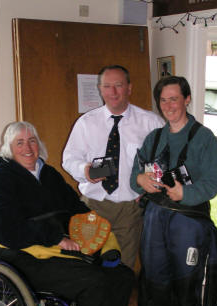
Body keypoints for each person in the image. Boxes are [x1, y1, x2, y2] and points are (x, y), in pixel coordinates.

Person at [0, 121, 137, 306]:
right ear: (8, 149)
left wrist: (92, 229)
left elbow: (75, 208)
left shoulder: (49, 174)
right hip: (25, 255)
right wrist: (55, 237)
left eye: (32, 140)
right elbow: (4, 229)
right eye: (20, 142)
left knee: (122, 276)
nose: (28, 147)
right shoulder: (2, 178)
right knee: (94, 282)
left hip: (61, 250)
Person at [130, 76, 217, 306]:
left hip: (189, 221)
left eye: (175, 98)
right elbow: (137, 172)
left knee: (187, 282)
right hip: (156, 218)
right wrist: (139, 180)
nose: (169, 105)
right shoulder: (154, 138)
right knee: (156, 280)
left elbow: (213, 181)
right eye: (163, 100)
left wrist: (185, 192)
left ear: (187, 99)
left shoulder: (204, 137)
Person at [62, 65, 164, 269]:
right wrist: (85, 170)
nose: (113, 92)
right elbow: (69, 159)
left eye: (118, 85)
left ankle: (119, 301)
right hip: (93, 205)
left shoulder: (151, 123)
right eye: (107, 86)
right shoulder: (86, 123)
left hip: (130, 209)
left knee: (122, 268)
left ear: (129, 88)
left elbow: (163, 161)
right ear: (100, 89)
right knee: (89, 266)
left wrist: (149, 189)